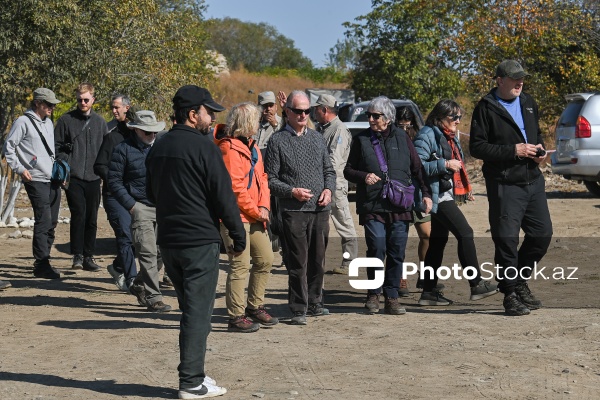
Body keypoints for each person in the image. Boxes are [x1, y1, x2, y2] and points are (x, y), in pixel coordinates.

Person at [146, 85, 245, 398]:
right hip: (198, 242)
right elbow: (223, 196)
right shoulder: (205, 148)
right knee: (197, 314)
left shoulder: (158, 146)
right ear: (192, 114)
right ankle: (190, 382)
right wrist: (237, 234)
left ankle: (197, 376)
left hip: (169, 242)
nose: (213, 116)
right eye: (208, 111)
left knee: (192, 310)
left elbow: (150, 193)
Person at [470, 60, 553, 316]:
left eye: (522, 79)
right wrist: (513, 151)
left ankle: (518, 280)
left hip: (533, 180)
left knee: (541, 235)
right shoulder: (485, 108)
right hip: (504, 183)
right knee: (506, 241)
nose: (520, 83)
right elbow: (477, 147)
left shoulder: (528, 102)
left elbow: (535, 134)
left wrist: (539, 151)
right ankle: (510, 294)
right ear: (500, 80)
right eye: (515, 79)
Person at [344, 96, 433, 315]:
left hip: (400, 206)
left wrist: (427, 194)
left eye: (376, 116)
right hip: (373, 205)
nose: (371, 119)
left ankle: (391, 296)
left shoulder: (402, 138)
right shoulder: (362, 140)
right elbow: (347, 170)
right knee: (377, 248)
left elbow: (417, 169)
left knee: (396, 251)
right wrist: (363, 176)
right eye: (369, 115)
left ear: (388, 117)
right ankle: (373, 293)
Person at [413, 99, 499, 306]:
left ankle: (428, 291)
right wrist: (444, 164)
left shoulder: (448, 136)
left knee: (437, 242)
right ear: (440, 116)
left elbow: (457, 167)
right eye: (454, 117)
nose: (458, 121)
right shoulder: (427, 134)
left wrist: (463, 190)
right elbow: (416, 166)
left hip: (445, 193)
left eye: (460, 117)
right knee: (465, 233)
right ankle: (476, 284)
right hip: (435, 196)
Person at [264, 90, 336, 325]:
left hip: (320, 209)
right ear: (287, 112)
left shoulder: (316, 138)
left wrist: (329, 190)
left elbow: (329, 171)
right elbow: (271, 179)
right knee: (298, 261)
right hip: (293, 211)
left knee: (318, 260)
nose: (303, 114)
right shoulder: (277, 141)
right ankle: (298, 308)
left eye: (307, 110)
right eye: (298, 111)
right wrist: (291, 191)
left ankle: (315, 302)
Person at [215, 102, 277, 333]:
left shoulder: (253, 147)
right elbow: (235, 188)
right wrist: (256, 210)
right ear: (246, 122)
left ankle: (254, 306)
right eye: (256, 119)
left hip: (255, 215)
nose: (259, 122)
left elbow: (263, 179)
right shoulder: (228, 148)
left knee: (265, 259)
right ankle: (236, 316)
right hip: (235, 217)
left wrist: (265, 207)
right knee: (240, 265)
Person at [108, 110, 172, 313]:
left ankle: (138, 284)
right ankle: (154, 298)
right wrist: (131, 205)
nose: (151, 135)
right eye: (147, 132)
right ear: (135, 130)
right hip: (140, 207)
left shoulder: (162, 147)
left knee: (163, 253)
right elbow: (114, 181)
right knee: (147, 253)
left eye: (154, 132)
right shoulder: (122, 150)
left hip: (162, 206)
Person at [2, 88, 63, 279]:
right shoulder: (22, 122)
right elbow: (9, 147)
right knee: (43, 219)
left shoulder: (48, 122)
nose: (52, 107)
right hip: (34, 178)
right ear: (37, 103)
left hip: (51, 178)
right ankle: (41, 262)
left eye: (53, 104)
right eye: (49, 104)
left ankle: (45, 259)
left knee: (52, 220)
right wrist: (20, 169)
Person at [55, 82, 108, 272]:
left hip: (94, 177)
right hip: (74, 176)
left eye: (86, 99)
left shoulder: (100, 122)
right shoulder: (65, 120)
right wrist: (65, 160)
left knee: (92, 218)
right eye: (79, 100)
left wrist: (103, 170)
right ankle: (77, 255)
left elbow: (105, 149)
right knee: (79, 215)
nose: (83, 103)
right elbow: (57, 146)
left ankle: (89, 256)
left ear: (93, 99)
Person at [93, 94, 136, 291]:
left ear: (128, 108)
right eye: (112, 107)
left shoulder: (139, 137)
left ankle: (118, 266)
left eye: (117, 107)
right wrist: (115, 181)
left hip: (137, 196)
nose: (114, 111)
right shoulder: (111, 137)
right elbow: (99, 166)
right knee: (125, 236)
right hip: (114, 196)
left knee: (140, 239)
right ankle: (132, 280)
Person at [313, 94, 358, 274]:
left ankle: (350, 262)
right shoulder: (324, 129)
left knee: (344, 224)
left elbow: (334, 160)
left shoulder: (339, 130)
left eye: (316, 108)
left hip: (335, 185)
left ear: (324, 109)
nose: (314, 112)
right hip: (322, 184)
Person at [395, 106, 433, 296]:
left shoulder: (420, 137)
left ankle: (424, 274)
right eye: (400, 125)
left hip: (416, 193)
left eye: (407, 125)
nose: (404, 129)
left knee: (427, 235)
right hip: (397, 194)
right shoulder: (391, 137)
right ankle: (400, 278)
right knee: (399, 239)